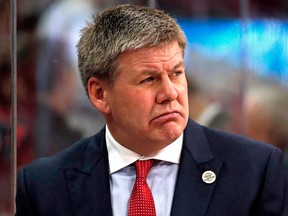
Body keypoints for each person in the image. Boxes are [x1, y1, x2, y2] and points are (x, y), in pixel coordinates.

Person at [15, 4, 287, 216]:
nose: (170, 93)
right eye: (149, 79)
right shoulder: (44, 186)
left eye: (177, 73)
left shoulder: (254, 171)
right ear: (99, 94)